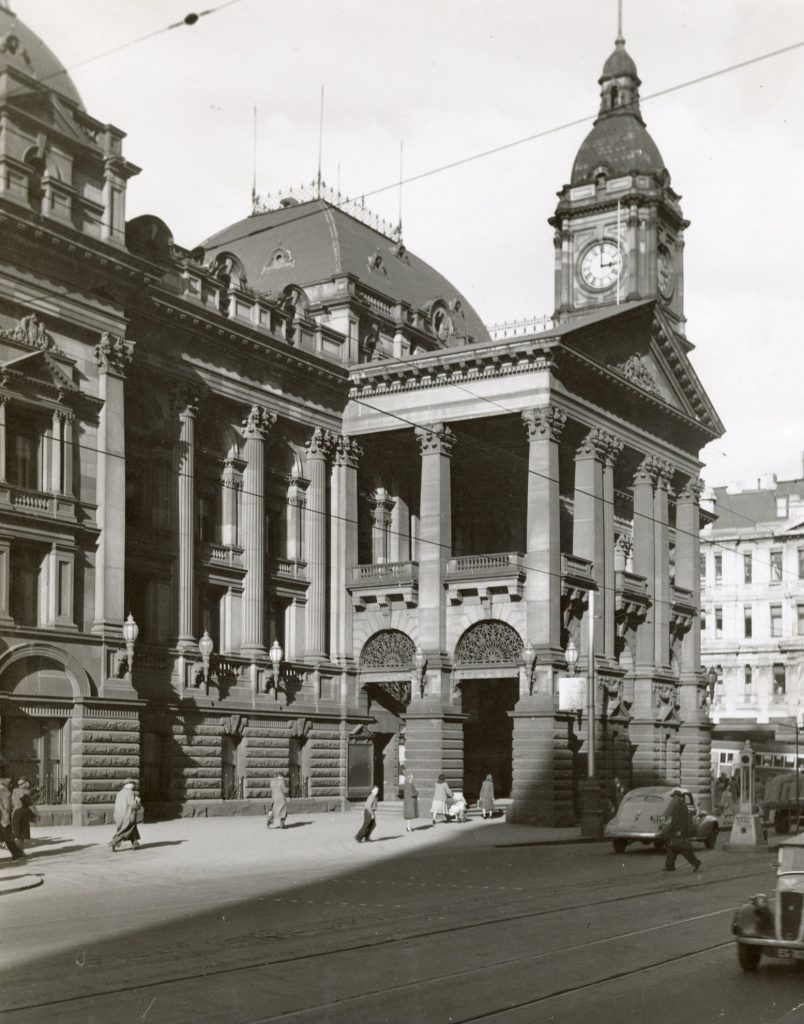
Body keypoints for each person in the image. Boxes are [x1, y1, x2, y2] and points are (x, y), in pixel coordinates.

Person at [660, 789, 701, 873]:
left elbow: (668, 814)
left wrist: (662, 822)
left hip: (678, 829)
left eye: (675, 796)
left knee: (681, 847)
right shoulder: (682, 805)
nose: (674, 798)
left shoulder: (676, 804)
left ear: (677, 797)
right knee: (671, 846)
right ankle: (669, 865)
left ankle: (695, 862)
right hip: (679, 829)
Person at [109, 780, 142, 852]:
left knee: (130, 829)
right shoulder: (130, 793)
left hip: (119, 816)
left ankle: (135, 843)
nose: (134, 785)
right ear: (128, 784)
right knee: (126, 830)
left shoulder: (119, 793)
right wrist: (138, 802)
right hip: (128, 816)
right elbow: (133, 805)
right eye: (132, 784)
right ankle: (114, 842)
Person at [0, 777, 24, 861]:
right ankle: (16, 853)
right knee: (7, 837)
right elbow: (5, 806)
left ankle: (16, 853)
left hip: (3, 817)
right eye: (9, 784)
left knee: (7, 837)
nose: (11, 785)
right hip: (3, 818)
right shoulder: (3, 791)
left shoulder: (4, 790)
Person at [11, 779, 37, 848]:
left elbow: (12, 803)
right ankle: (20, 850)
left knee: (17, 833)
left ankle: (17, 850)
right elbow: (30, 805)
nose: (29, 784)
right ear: (24, 784)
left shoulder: (14, 791)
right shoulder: (27, 792)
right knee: (22, 834)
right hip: (23, 813)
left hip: (15, 812)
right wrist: (37, 813)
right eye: (28, 783)